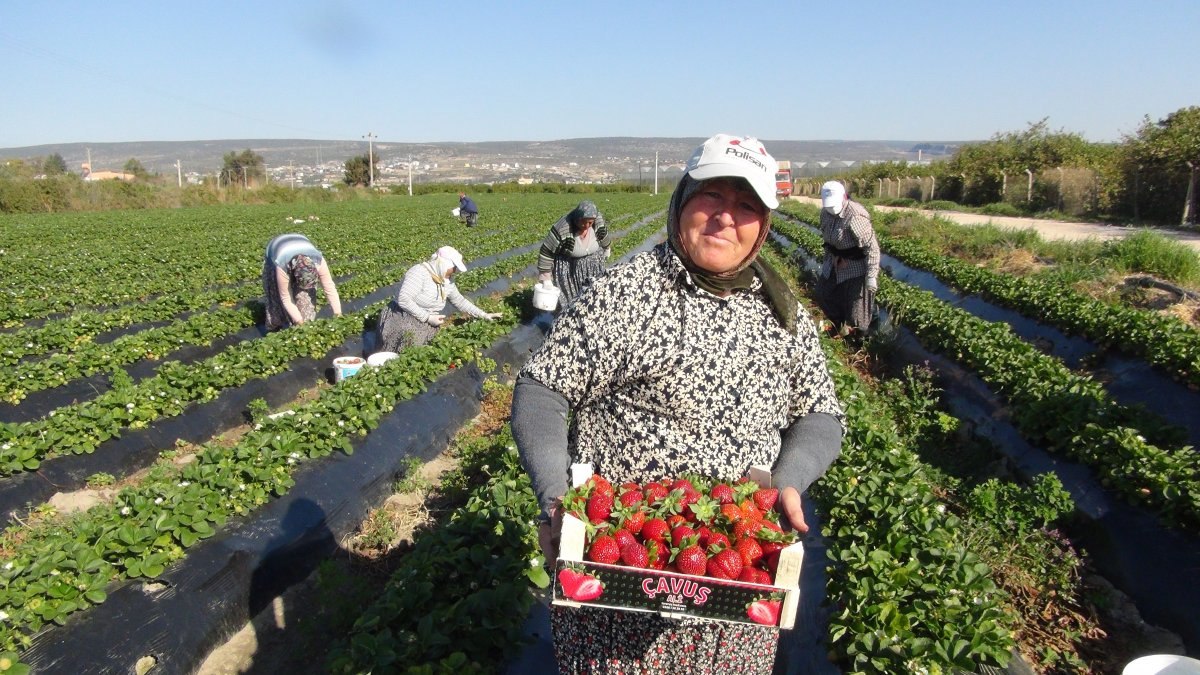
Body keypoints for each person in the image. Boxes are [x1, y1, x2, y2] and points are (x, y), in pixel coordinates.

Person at [511, 134, 845, 674]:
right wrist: (557, 500)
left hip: (733, 597)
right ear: (682, 201)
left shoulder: (783, 315)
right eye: (711, 196)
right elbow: (542, 388)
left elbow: (820, 413)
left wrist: (789, 480)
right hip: (615, 585)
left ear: (763, 225)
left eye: (746, 206)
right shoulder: (626, 294)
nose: (725, 217)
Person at [373, 245, 502, 354]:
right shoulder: (419, 272)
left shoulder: (447, 281)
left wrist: (484, 315)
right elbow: (404, 300)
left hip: (425, 320)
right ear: (443, 264)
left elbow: (460, 301)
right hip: (402, 315)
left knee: (421, 348)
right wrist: (428, 318)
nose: (455, 271)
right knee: (407, 342)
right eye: (454, 267)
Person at [815, 180, 880, 336]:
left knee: (857, 313)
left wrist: (871, 276)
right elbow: (829, 241)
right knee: (824, 295)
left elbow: (872, 248)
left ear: (844, 196)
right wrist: (834, 257)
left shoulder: (855, 215)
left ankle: (861, 339)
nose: (831, 209)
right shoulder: (825, 213)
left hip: (855, 268)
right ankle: (837, 326)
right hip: (834, 263)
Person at [536, 200, 612, 308]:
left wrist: (607, 247)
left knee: (594, 294)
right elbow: (547, 251)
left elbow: (603, 234)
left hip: (593, 264)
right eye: (583, 222)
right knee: (572, 299)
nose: (586, 225)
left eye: (590, 223)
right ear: (576, 218)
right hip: (569, 267)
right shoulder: (562, 228)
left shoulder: (597, 220)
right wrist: (546, 277)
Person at [262, 233, 343, 331]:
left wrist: (338, 314)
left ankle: (301, 321)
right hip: (277, 250)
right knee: (275, 298)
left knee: (306, 303)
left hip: (300, 244)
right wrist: (299, 322)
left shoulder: (318, 261)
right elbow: (286, 298)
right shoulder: (281, 266)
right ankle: (275, 327)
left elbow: (329, 287)